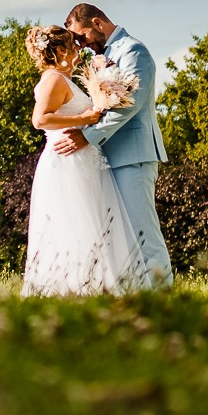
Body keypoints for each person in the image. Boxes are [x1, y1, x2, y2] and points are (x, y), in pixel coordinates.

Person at [52, 3, 174, 287]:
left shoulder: (133, 51)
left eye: (82, 36)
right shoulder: (102, 56)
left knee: (143, 233)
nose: (81, 45)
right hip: (108, 158)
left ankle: (165, 297)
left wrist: (87, 136)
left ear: (97, 22)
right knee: (122, 237)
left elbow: (128, 106)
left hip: (133, 156)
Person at [19, 24, 146, 296]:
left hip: (83, 161)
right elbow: (40, 119)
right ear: (61, 50)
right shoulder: (53, 79)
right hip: (66, 163)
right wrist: (84, 119)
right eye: (73, 45)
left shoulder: (63, 79)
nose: (79, 49)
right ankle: (75, 291)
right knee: (75, 225)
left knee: (96, 224)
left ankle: (99, 290)